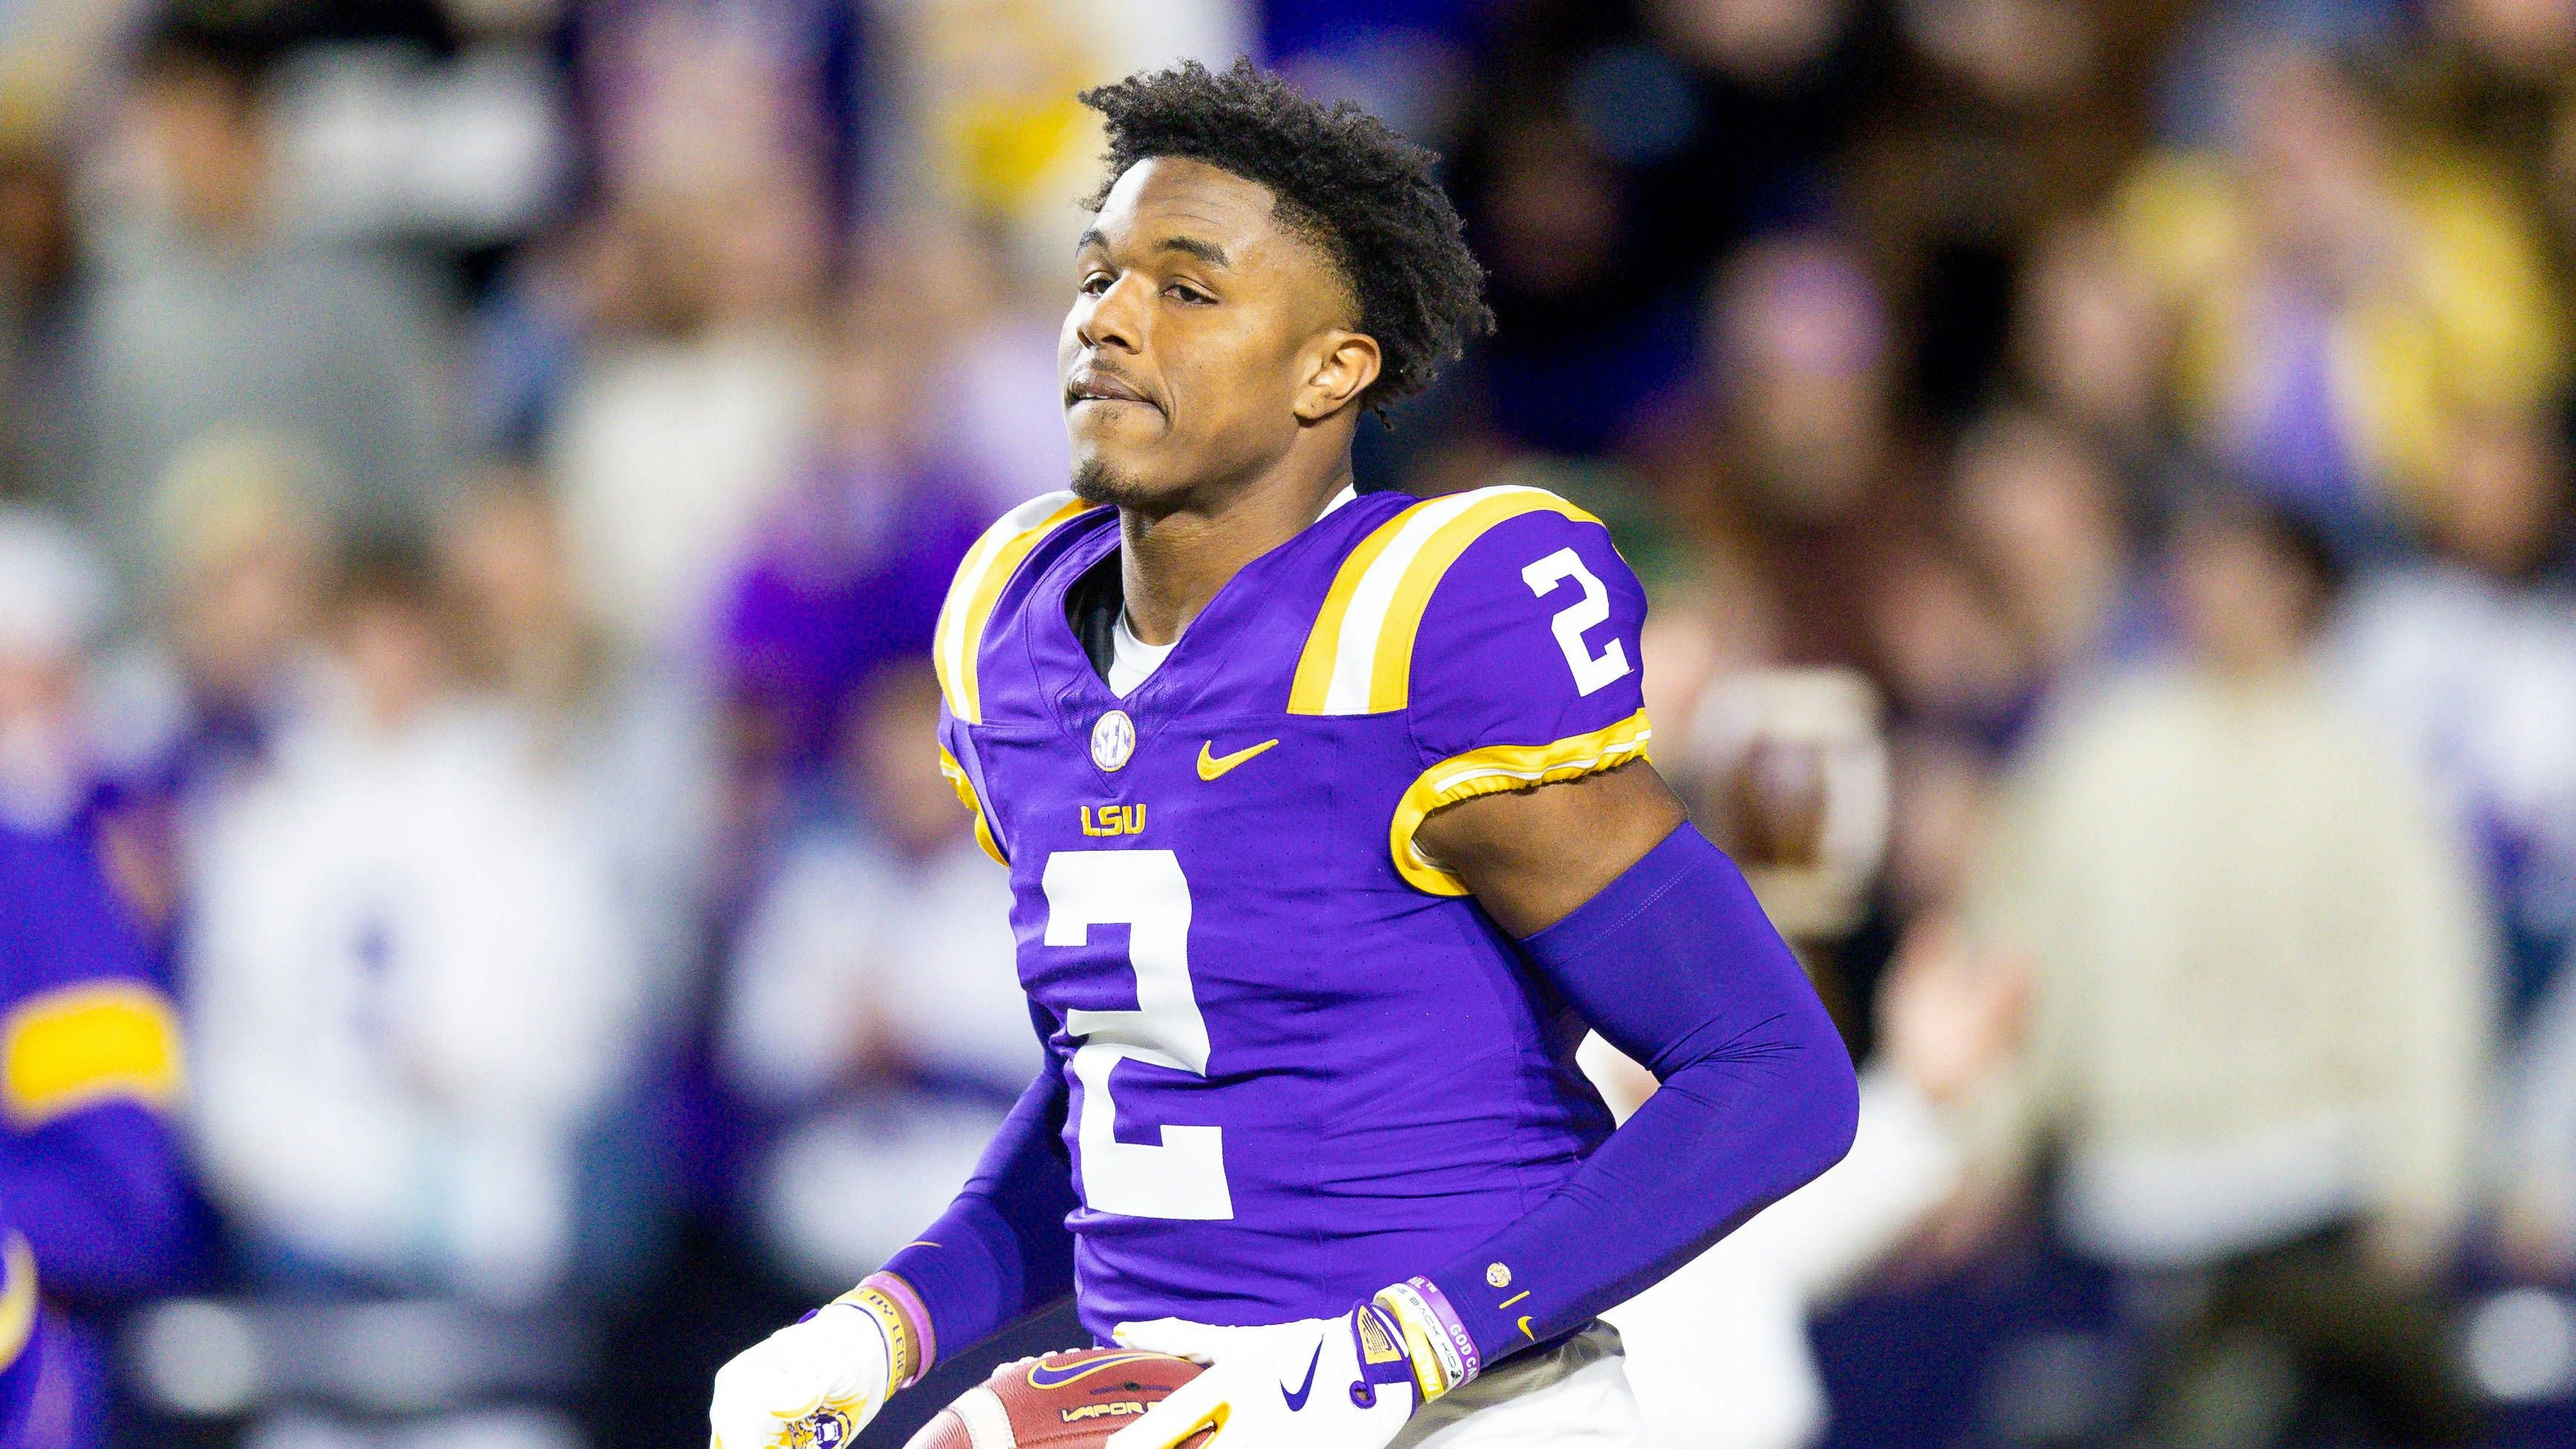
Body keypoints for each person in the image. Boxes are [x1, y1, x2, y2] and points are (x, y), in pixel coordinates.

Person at [708, 59, 1858, 1449]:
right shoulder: (1010, 624)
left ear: (1336, 365)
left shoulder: (1424, 619)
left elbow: (1770, 1066)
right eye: (1097, 275)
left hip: (1473, 1419)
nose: (1111, 323)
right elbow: (1127, 1081)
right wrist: (888, 1318)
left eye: (1185, 289)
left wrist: (1396, 1346)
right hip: (1176, 1404)